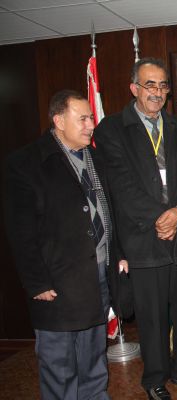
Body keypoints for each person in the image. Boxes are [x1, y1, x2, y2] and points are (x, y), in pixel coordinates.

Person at [94, 57, 177, 399]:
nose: (157, 92)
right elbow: (121, 186)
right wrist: (162, 218)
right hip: (143, 237)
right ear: (134, 88)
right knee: (152, 316)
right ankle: (155, 378)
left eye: (163, 85)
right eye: (149, 85)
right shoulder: (111, 129)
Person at [4, 90, 124, 399]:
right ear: (58, 121)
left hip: (97, 276)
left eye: (91, 118)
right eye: (82, 119)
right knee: (60, 365)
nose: (90, 125)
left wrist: (118, 254)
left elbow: (110, 211)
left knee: (94, 358)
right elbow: (21, 232)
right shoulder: (26, 163)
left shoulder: (96, 158)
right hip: (56, 285)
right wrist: (37, 282)